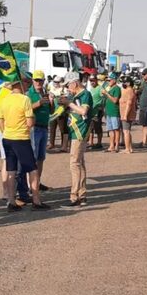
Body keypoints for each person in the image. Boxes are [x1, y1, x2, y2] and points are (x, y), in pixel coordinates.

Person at [0, 80, 50, 212]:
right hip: (21, 137)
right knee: (32, 169)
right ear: (19, 85)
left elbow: (0, 121)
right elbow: (30, 122)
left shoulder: (4, 100)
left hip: (8, 137)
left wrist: (7, 132)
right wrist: (28, 126)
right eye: (25, 83)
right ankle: (36, 200)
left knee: (11, 170)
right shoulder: (25, 99)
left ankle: (11, 201)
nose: (27, 85)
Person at [61, 72, 92, 206]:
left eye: (68, 85)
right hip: (75, 131)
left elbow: (83, 111)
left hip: (80, 131)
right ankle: (82, 194)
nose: (67, 88)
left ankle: (74, 197)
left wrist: (69, 103)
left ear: (74, 83)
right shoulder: (76, 95)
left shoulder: (85, 94)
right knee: (79, 163)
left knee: (74, 164)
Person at [27, 70, 52, 190]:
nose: (38, 82)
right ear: (32, 80)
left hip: (44, 127)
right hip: (34, 128)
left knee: (41, 158)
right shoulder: (29, 93)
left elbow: (50, 111)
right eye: (36, 80)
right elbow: (26, 109)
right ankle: (31, 185)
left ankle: (37, 182)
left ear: (43, 81)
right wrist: (39, 103)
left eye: (40, 80)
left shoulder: (45, 92)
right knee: (34, 157)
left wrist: (51, 102)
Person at [101, 72, 122, 152]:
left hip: (114, 112)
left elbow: (115, 100)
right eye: (108, 80)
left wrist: (106, 94)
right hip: (108, 112)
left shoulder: (117, 88)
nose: (108, 82)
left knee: (116, 129)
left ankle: (117, 146)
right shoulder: (109, 88)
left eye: (109, 80)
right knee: (110, 129)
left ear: (114, 80)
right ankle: (111, 145)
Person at [119, 76, 137, 154]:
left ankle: (127, 149)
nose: (123, 83)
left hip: (127, 114)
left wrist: (125, 115)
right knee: (127, 131)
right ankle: (130, 148)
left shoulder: (129, 91)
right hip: (126, 113)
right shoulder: (127, 90)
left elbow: (129, 103)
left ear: (128, 83)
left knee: (126, 131)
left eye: (124, 82)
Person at [88, 74, 105, 150]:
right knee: (90, 127)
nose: (92, 82)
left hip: (97, 111)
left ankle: (99, 143)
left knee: (97, 127)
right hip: (91, 111)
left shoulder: (100, 88)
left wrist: (101, 107)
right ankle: (91, 142)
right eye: (90, 80)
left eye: (93, 80)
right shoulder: (91, 88)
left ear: (96, 80)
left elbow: (104, 98)